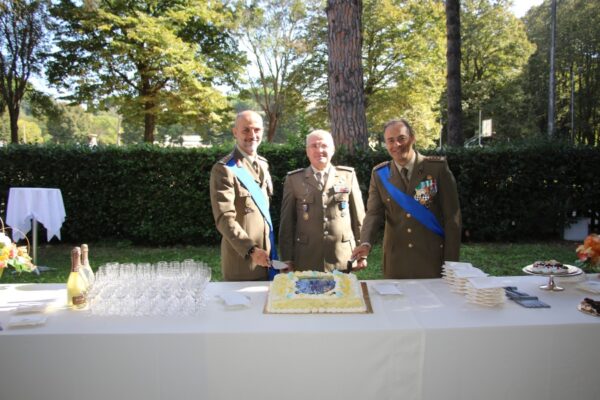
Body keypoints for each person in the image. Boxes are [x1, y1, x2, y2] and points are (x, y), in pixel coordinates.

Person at [352, 119, 461, 279]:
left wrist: (451, 263)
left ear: (412, 138)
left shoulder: (437, 169)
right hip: (397, 259)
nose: (396, 144)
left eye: (401, 138)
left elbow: (452, 218)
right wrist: (366, 242)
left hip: (431, 257)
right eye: (390, 140)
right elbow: (374, 214)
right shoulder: (380, 174)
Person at [279, 129, 366, 272]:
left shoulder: (347, 175)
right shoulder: (294, 180)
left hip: (342, 255)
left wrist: (362, 252)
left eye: (324, 146)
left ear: (332, 149)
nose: (319, 150)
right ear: (307, 151)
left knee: (344, 293)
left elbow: (359, 217)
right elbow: (286, 223)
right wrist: (287, 258)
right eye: (314, 146)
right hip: (307, 257)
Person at [209, 110, 276, 281]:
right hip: (243, 262)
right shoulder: (225, 169)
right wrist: (251, 250)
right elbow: (224, 218)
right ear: (235, 132)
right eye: (246, 130)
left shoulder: (263, 164)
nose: (252, 135)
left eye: (257, 130)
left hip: (268, 257)